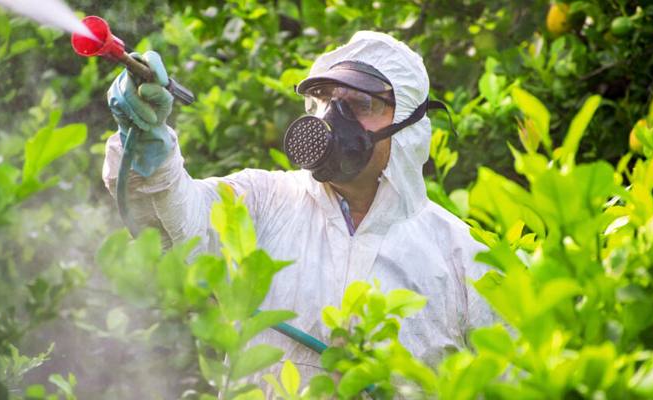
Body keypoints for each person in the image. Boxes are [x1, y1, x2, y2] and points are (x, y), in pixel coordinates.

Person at [102, 31, 496, 381]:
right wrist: (149, 146)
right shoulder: (262, 201)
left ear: (410, 125)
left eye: (360, 104)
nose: (332, 119)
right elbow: (176, 222)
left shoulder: (464, 258)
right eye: (325, 100)